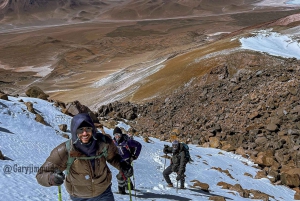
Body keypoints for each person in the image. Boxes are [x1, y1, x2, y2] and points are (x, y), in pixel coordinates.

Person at [36, 113, 133, 201]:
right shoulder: (65, 150)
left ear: (92, 129)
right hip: (79, 197)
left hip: (104, 192)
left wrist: (123, 165)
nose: (85, 133)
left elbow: (113, 157)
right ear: (74, 131)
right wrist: (51, 178)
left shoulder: (104, 143)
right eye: (80, 130)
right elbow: (41, 174)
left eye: (88, 128)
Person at [112, 127, 142, 194]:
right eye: (115, 135)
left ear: (121, 134)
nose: (117, 136)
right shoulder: (113, 142)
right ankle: (130, 187)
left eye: (118, 134)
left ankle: (121, 191)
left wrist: (136, 155)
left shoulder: (127, 142)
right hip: (119, 161)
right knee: (125, 174)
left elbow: (139, 145)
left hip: (127, 160)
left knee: (121, 175)